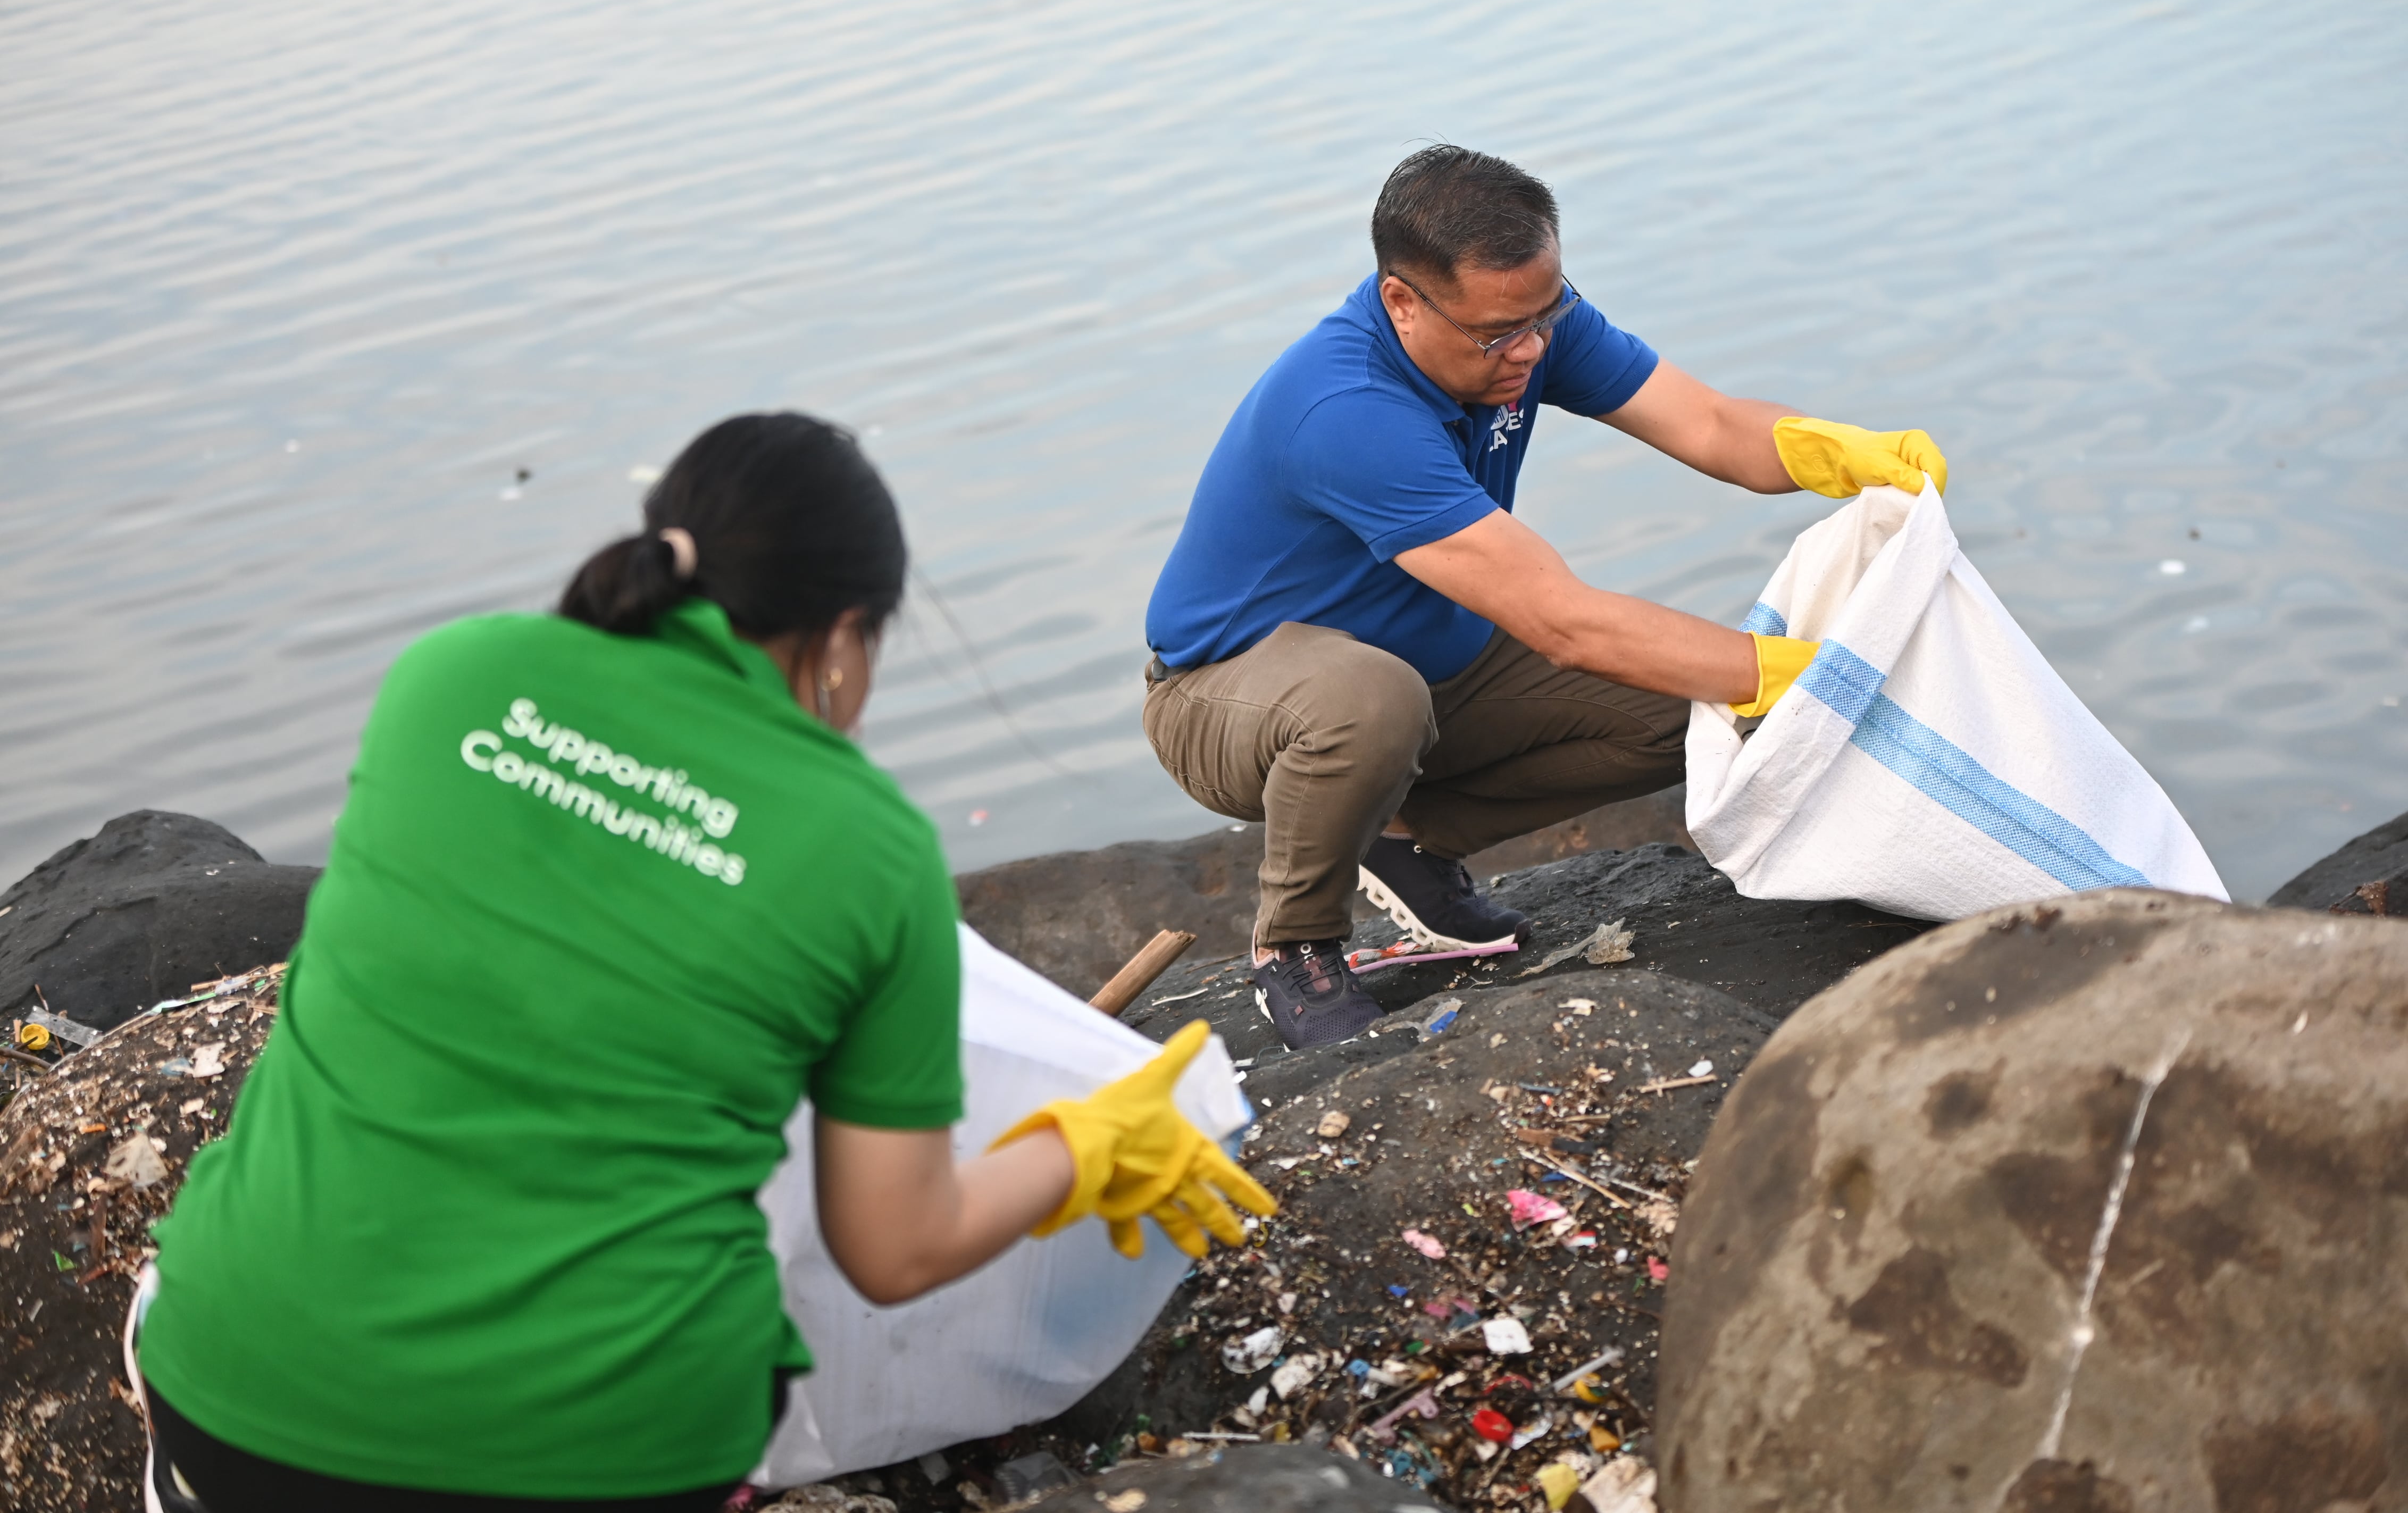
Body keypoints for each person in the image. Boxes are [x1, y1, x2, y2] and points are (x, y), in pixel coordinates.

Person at [135, 413, 1273, 1511]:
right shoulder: (865, 845)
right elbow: (896, 1247)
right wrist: (1084, 1145)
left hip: (229, 1390)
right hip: (587, 1452)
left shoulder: (450, 676)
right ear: (839, 639)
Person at [1142, 146, 1949, 1049]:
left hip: (1431, 657)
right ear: (1402, 302)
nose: (1528, 348)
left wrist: (1833, 453)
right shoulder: (1346, 411)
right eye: (1497, 334)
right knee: (1370, 702)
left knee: (1681, 710)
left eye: (1545, 313)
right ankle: (1295, 948)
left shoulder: (1523, 320)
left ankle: (1400, 839)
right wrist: (1798, 675)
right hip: (1232, 695)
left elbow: (1711, 424)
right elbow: (1557, 618)